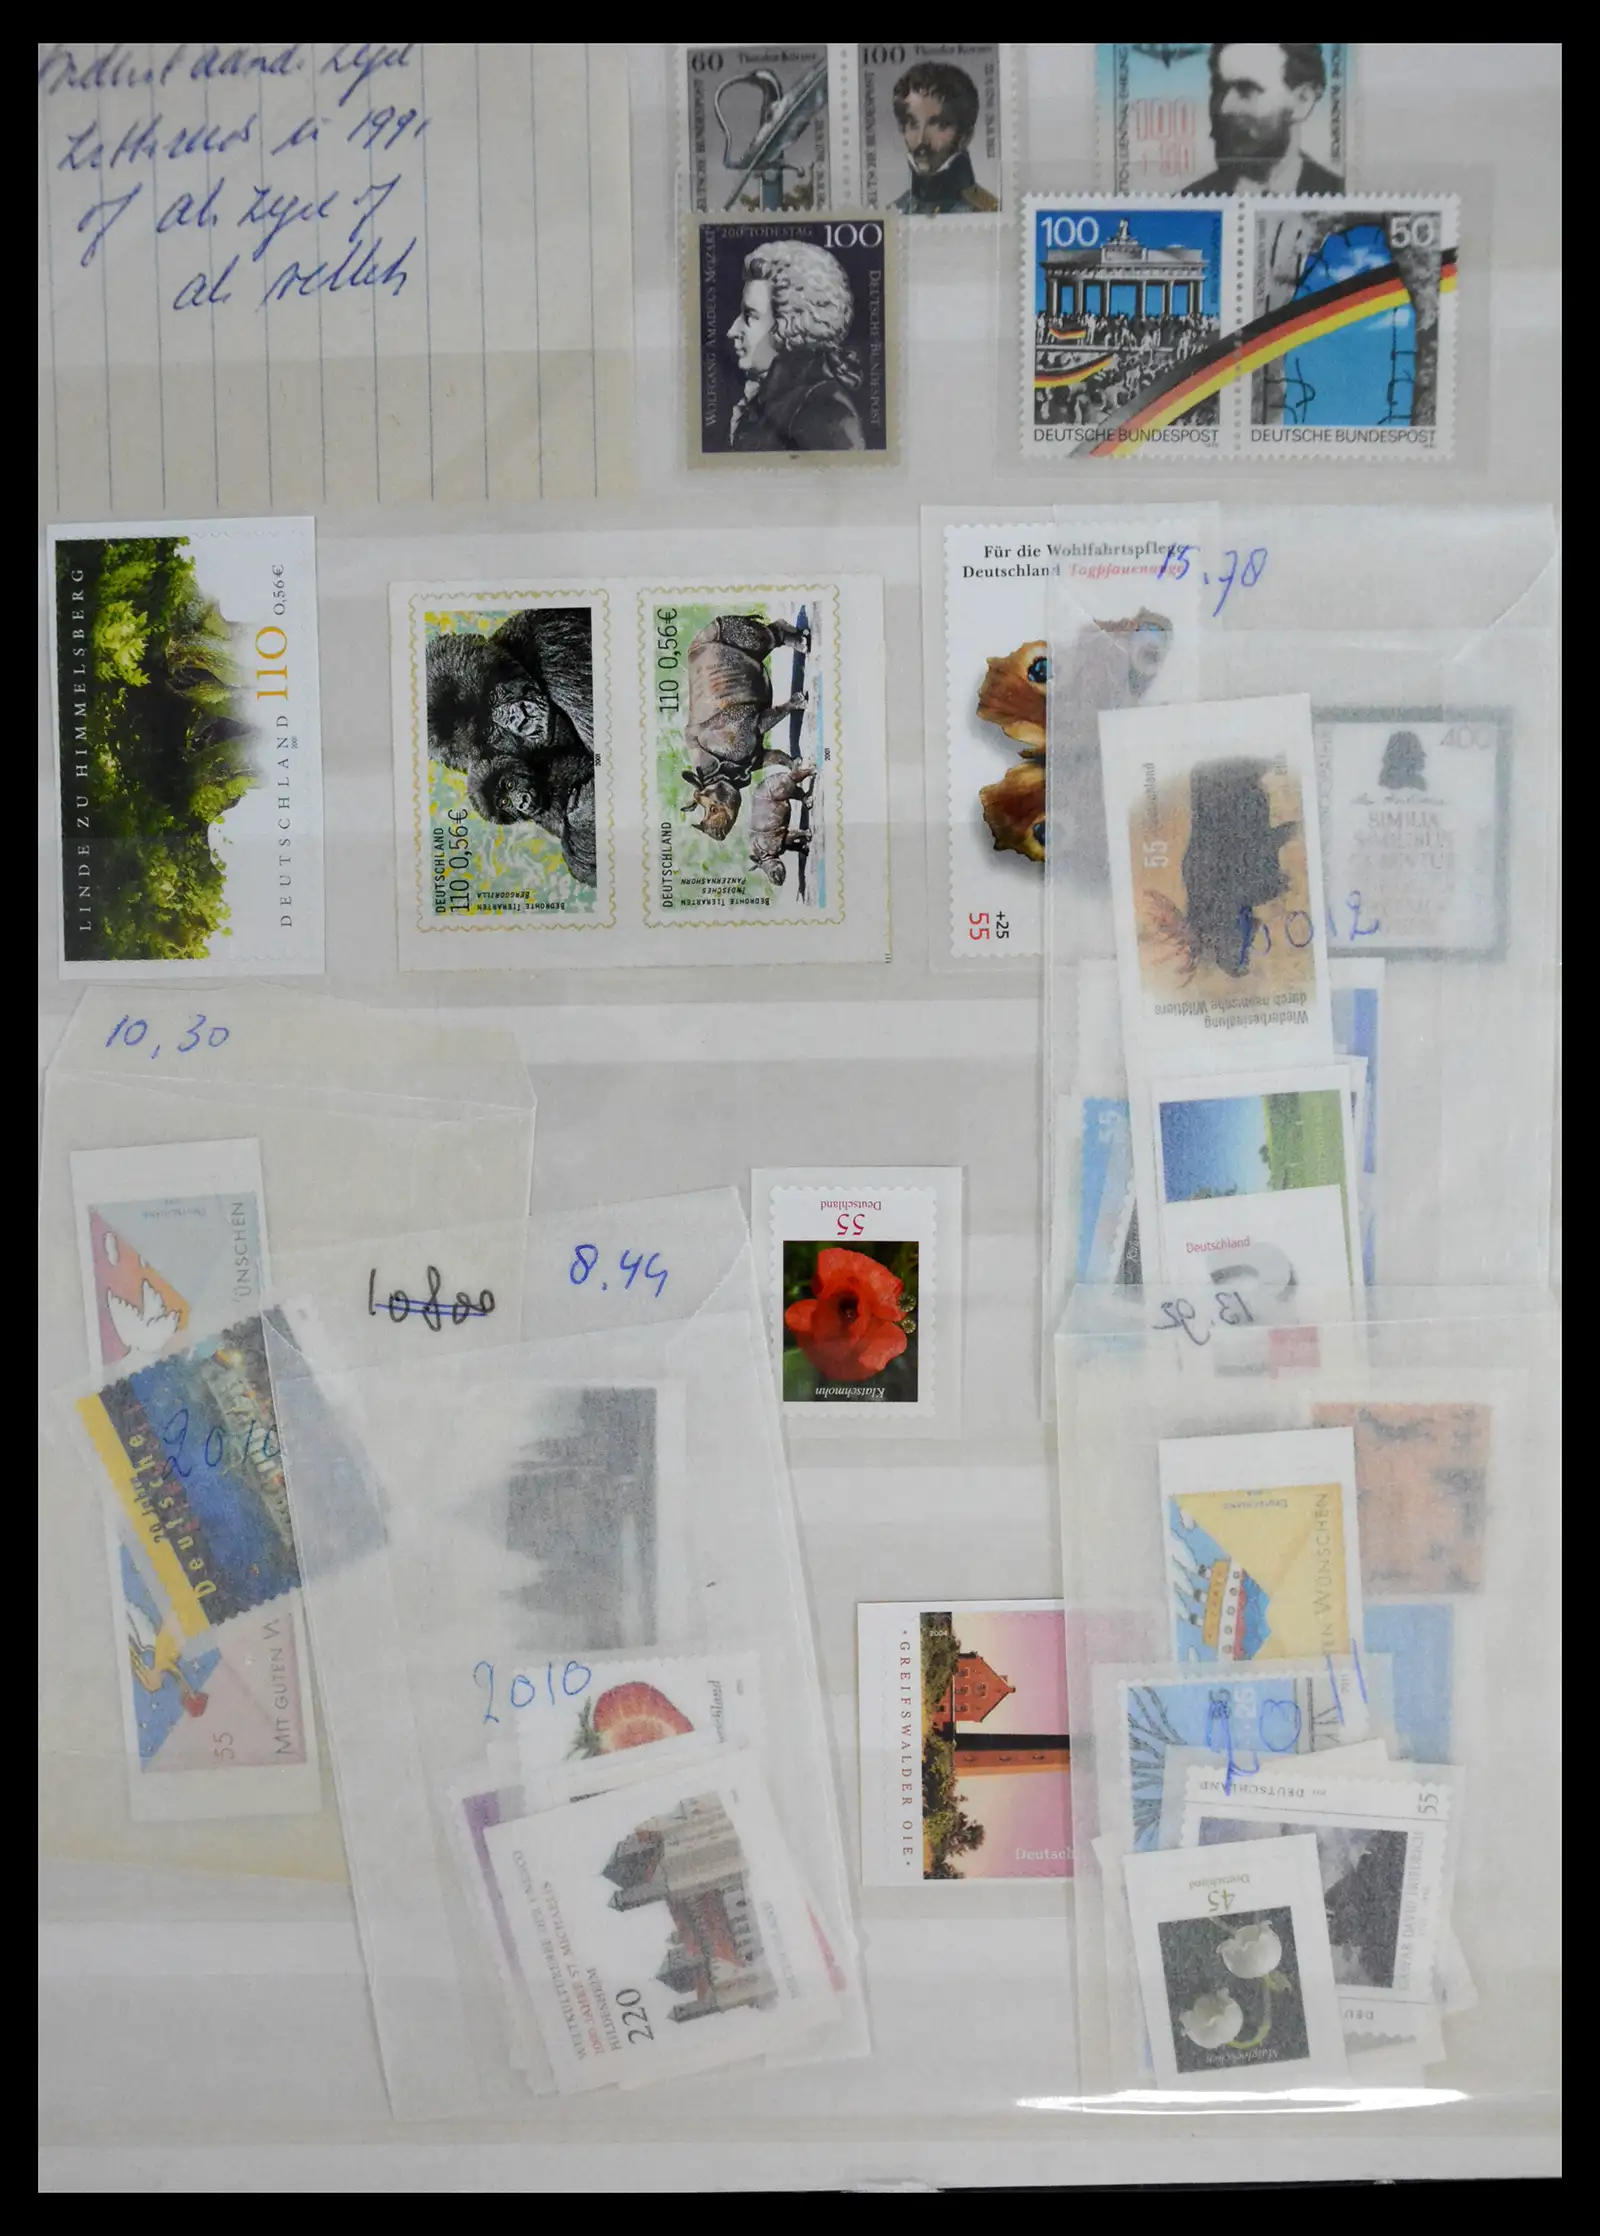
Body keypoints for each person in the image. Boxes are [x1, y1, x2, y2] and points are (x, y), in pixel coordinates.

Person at [725, 238, 865, 450]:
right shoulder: (766, 403)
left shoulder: (825, 411)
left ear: (789, 326)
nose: (732, 331)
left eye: (750, 316)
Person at [1186, 43, 1343, 194]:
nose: (1224, 108)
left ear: (1302, 101)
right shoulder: (1187, 202)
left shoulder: (1343, 197)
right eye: (1219, 89)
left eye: (1246, 89)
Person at [889, 60, 1000, 215]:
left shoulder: (989, 212)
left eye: (939, 125)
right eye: (912, 124)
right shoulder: (893, 212)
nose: (921, 141)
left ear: (965, 136)